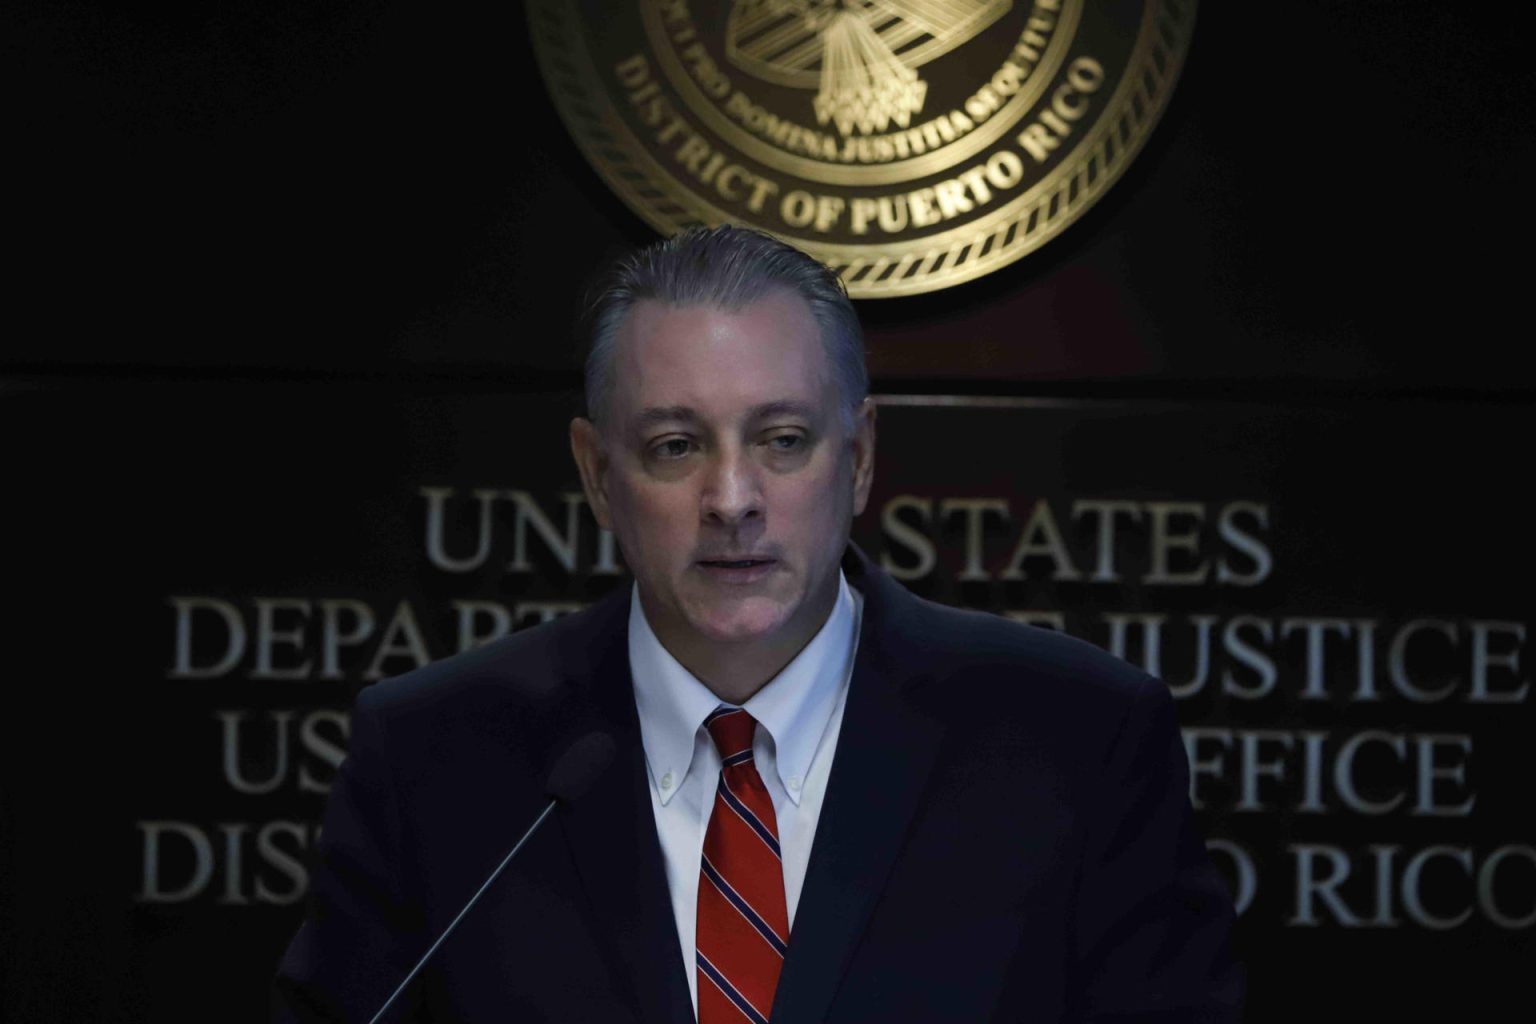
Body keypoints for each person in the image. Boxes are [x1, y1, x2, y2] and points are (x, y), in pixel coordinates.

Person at [274, 225, 1244, 1022]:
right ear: (597, 473)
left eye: (783, 440)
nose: (732, 497)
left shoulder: (1079, 744)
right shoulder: (434, 761)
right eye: (674, 444)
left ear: (859, 457)